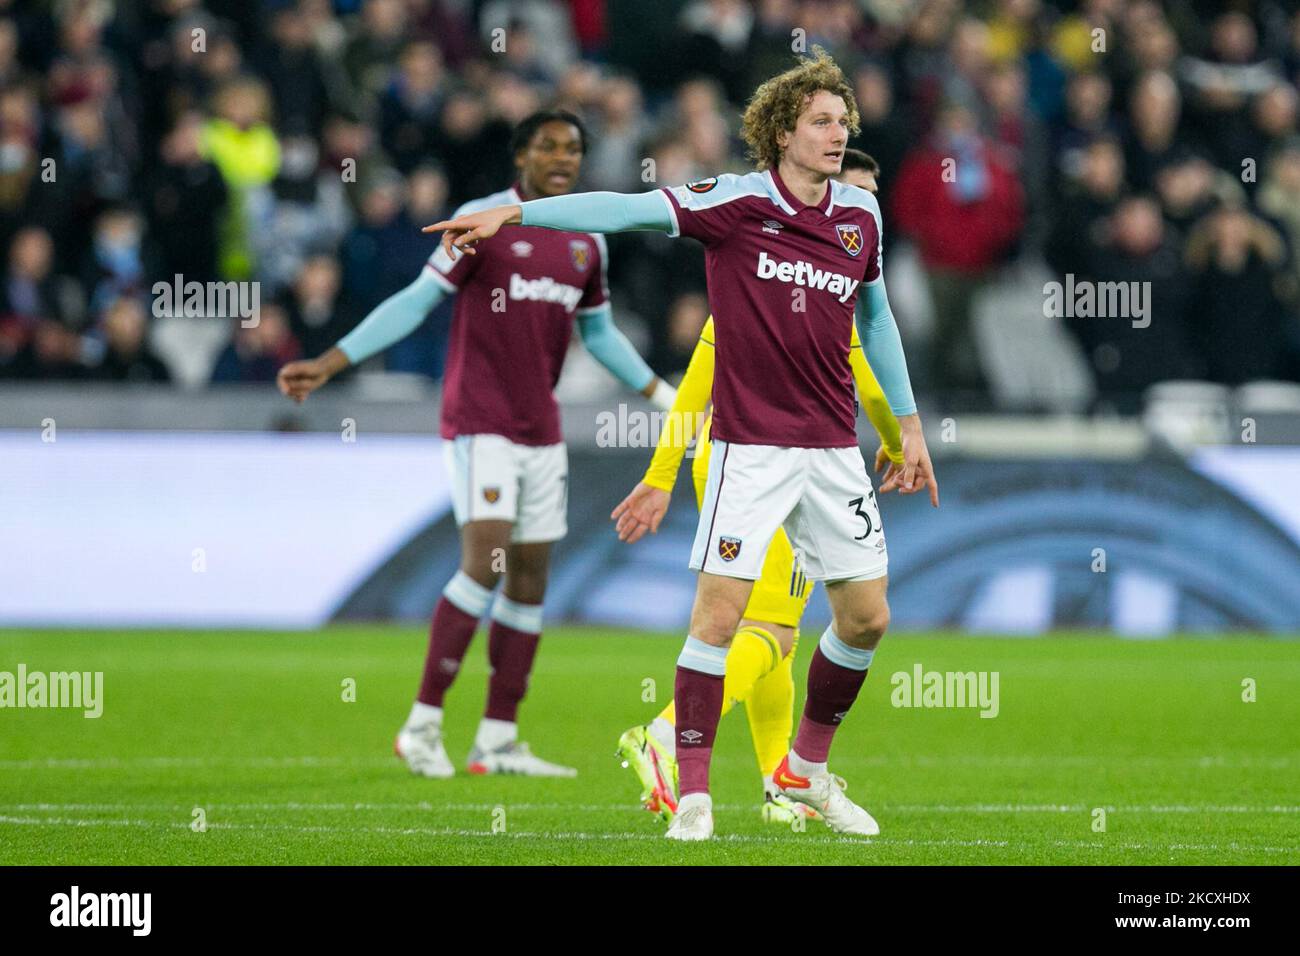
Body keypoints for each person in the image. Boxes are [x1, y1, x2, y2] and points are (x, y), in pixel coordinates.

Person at [427, 50, 939, 839]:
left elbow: (876, 319)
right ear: (781, 133)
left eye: (844, 121)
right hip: (749, 449)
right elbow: (622, 210)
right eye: (823, 122)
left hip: (833, 448)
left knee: (867, 617)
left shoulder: (859, 216)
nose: (840, 134)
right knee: (721, 619)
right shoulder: (732, 203)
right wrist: (517, 214)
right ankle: (694, 794)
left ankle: (803, 771)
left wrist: (906, 425)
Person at [277, 110, 676, 778]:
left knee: (528, 579)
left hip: (540, 430)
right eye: (547, 146)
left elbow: (600, 336)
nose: (561, 158)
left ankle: (497, 739)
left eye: (573, 149)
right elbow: (415, 301)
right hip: (479, 420)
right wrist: (330, 362)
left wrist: (668, 399)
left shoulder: (588, 238)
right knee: (484, 562)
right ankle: (422, 726)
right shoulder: (484, 219)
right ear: (521, 153)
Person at [613, 150, 907, 827]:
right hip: (753, 459)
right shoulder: (774, 266)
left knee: (782, 625)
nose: (864, 212)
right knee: (770, 629)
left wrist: (894, 440)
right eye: (856, 190)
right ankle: (660, 735)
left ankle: (780, 782)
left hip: (785, 455)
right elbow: (697, 382)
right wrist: (658, 476)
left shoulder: (834, 267)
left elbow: (862, 379)